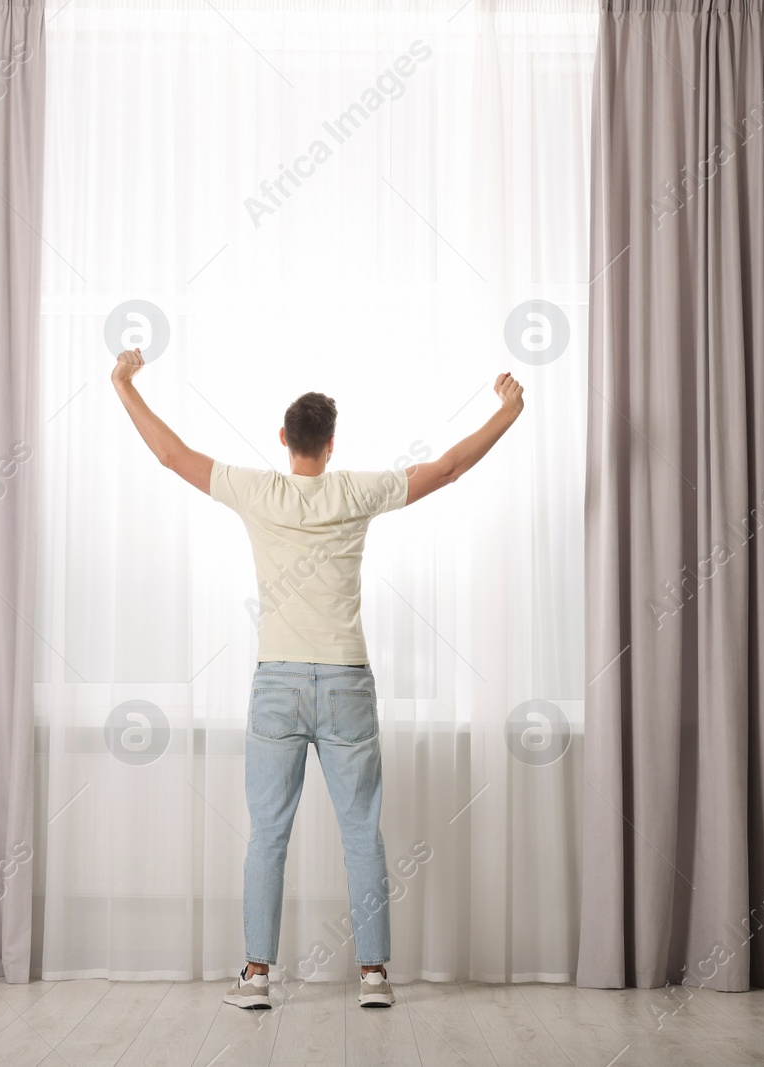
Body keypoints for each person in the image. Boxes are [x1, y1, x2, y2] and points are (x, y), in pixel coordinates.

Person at [109, 347, 524, 1009]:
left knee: (268, 831)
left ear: (284, 439)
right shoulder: (354, 489)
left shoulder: (257, 488)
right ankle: (374, 977)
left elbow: (170, 453)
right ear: (330, 445)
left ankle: (255, 976)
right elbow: (447, 467)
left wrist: (123, 383)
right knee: (361, 829)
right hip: (346, 682)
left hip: (277, 683)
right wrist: (508, 410)